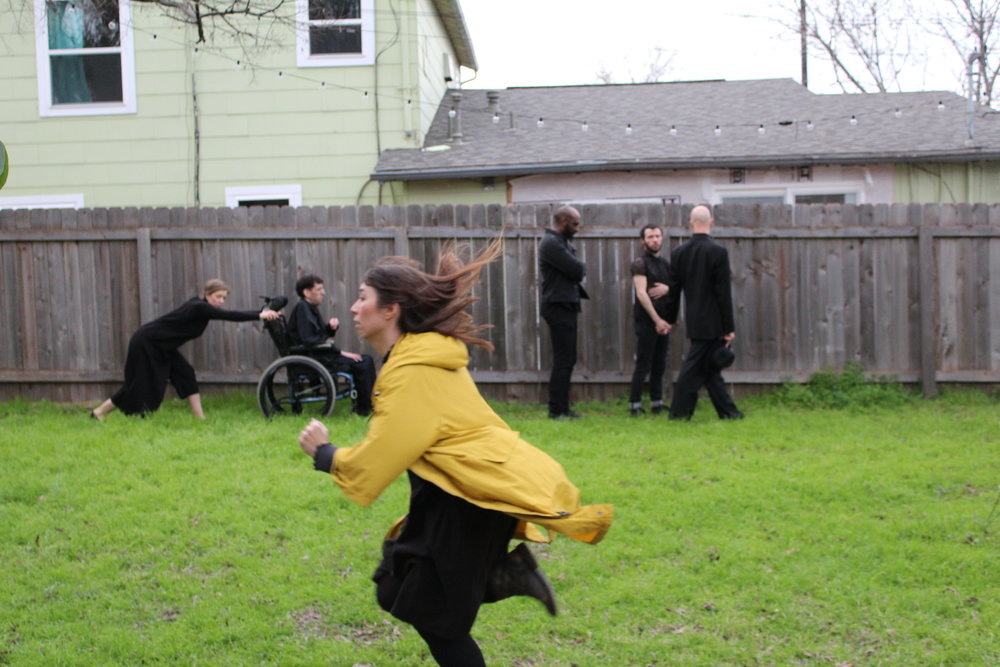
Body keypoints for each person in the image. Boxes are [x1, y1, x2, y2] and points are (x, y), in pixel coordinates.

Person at [297, 241, 612, 667]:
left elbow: (381, 457)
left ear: (391, 309)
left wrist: (325, 453)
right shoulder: (419, 356)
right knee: (396, 584)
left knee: (437, 621)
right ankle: (504, 573)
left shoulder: (412, 370)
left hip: (464, 501)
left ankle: (503, 574)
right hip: (455, 496)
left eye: (362, 297)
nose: (354, 308)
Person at [90, 279, 279, 420]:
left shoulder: (201, 307)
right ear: (207, 295)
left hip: (163, 345)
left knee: (185, 373)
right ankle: (99, 412)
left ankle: (199, 418)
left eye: (224, 297)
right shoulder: (199, 307)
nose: (221, 301)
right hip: (147, 343)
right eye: (218, 297)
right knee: (140, 383)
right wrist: (260, 315)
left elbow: (225, 313)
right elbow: (229, 315)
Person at [663, 205, 744, 420]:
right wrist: (728, 328)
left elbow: (673, 291)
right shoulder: (718, 252)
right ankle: (679, 414)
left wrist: (669, 319)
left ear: (690, 223)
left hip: (694, 319)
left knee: (710, 370)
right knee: (693, 369)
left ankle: (729, 413)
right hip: (714, 322)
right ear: (712, 222)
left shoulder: (679, 252)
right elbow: (722, 292)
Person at [288, 274, 376, 416]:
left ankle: (368, 404)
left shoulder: (309, 308)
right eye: (319, 289)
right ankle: (364, 409)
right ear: (307, 292)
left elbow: (317, 336)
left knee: (365, 360)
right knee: (363, 362)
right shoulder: (302, 309)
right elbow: (310, 341)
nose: (323, 292)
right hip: (314, 358)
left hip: (318, 355)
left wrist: (330, 327)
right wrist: (340, 352)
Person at [538, 205, 588, 419]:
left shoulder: (559, 243)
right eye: (575, 224)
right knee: (563, 359)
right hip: (558, 306)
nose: (578, 228)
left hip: (564, 304)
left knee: (567, 359)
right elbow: (577, 269)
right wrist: (580, 268)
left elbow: (576, 270)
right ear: (564, 221)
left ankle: (562, 408)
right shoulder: (551, 244)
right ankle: (556, 410)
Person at [628, 224, 671, 416]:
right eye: (650, 237)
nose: (654, 240)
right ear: (643, 241)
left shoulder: (665, 264)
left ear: (662, 238)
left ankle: (657, 402)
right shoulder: (640, 263)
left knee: (660, 363)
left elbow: (675, 287)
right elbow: (641, 293)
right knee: (644, 362)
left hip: (664, 321)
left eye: (657, 236)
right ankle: (635, 404)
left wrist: (668, 289)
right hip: (647, 320)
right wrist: (656, 320)